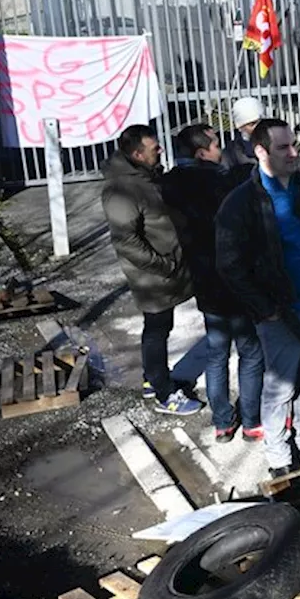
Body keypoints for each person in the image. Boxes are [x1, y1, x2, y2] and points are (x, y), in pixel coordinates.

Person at [215, 118, 300, 477]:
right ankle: (278, 458)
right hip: (281, 312)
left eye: (294, 145)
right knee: (279, 390)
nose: (294, 153)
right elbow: (230, 264)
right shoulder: (242, 202)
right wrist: (265, 309)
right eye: (283, 148)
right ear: (260, 151)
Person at [160, 124, 264, 442]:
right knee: (250, 351)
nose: (220, 150)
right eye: (216, 144)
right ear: (202, 152)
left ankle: (222, 423)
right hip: (232, 277)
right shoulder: (218, 183)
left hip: (203, 279)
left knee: (217, 352)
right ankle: (250, 420)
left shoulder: (168, 185)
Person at [101, 125, 201, 415]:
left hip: (162, 269)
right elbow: (127, 242)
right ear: (137, 154)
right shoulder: (121, 190)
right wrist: (164, 265)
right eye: (153, 148)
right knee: (156, 330)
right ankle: (163, 393)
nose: (160, 150)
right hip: (151, 274)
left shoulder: (144, 175)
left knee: (159, 327)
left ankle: (152, 378)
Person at [221, 96, 263, 172]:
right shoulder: (230, 154)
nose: (258, 127)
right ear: (240, 127)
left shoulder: (276, 145)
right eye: (252, 124)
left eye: (261, 122)